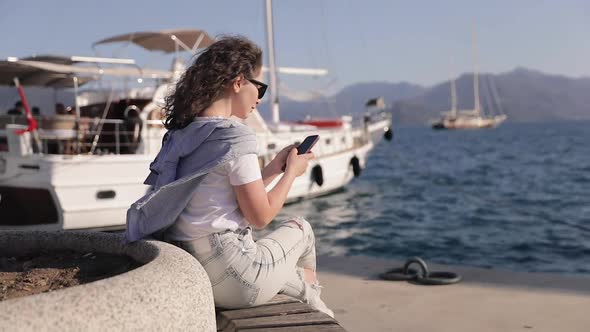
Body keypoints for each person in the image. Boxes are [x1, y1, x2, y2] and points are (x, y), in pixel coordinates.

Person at [124, 36, 334, 317]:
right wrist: (291, 175)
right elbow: (259, 216)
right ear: (238, 82)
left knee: (292, 279)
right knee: (302, 229)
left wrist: (272, 169)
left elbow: (220, 197)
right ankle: (316, 307)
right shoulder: (236, 136)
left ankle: (312, 298)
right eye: (259, 87)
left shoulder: (183, 133)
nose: (259, 98)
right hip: (235, 274)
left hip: (194, 270)